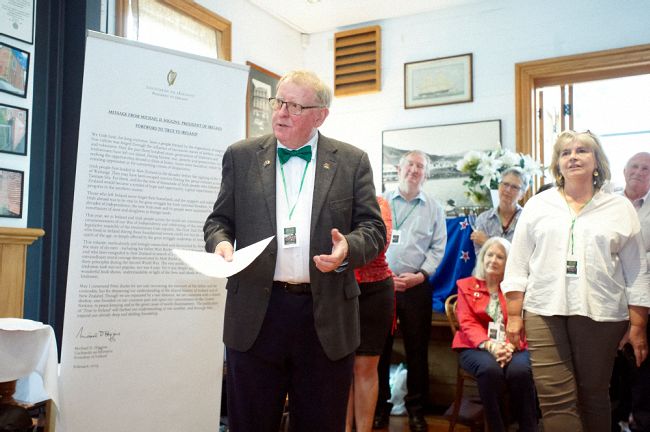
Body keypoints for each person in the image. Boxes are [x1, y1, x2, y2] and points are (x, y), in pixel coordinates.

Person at [203, 70, 386, 432]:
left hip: (325, 316)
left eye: (295, 106)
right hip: (257, 314)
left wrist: (348, 248)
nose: (281, 113)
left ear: (320, 116)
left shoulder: (352, 161)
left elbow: (374, 229)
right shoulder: (241, 156)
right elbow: (218, 221)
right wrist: (221, 243)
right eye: (279, 102)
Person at [502, 130, 650, 432]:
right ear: (558, 164)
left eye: (582, 150)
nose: (573, 157)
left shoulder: (619, 207)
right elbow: (517, 263)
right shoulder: (538, 205)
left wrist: (638, 325)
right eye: (565, 152)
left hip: (602, 313)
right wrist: (514, 315)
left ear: (597, 161)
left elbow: (636, 269)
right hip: (543, 310)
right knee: (555, 399)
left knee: (593, 396)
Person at [375, 150, 447, 432]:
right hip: (382, 286)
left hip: (416, 287)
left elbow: (438, 248)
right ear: (398, 169)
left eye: (420, 167)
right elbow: (370, 241)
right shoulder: (380, 202)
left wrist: (420, 276)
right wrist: (384, 275)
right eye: (410, 165)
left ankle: (417, 411)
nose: (414, 170)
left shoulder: (434, 208)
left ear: (425, 174)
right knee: (379, 351)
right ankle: (380, 408)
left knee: (417, 352)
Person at [452, 237, 538, 432]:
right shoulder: (465, 285)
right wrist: (491, 345)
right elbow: (468, 323)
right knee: (490, 370)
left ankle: (528, 427)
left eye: (500, 257)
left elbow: (524, 320)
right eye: (489, 255)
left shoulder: (516, 290)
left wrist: (509, 345)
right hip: (476, 347)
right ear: (482, 258)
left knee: (520, 371)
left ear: (508, 263)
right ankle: (497, 427)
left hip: (514, 345)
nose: (493, 260)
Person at [346, 196, 394, 432]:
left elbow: (380, 243)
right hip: (340, 291)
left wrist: (343, 244)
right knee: (342, 367)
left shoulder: (379, 203)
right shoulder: (332, 200)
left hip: (375, 291)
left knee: (365, 367)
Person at [615, 152, 650, 432]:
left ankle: (639, 422)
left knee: (642, 367)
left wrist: (633, 259)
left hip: (644, 302)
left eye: (646, 168)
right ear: (624, 171)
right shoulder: (608, 203)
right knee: (614, 370)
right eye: (634, 166)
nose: (639, 172)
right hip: (610, 302)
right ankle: (614, 419)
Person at [470, 166, 529, 255]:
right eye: (505, 184)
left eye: (514, 187)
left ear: (522, 195)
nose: (508, 190)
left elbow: (523, 257)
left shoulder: (527, 220)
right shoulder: (483, 219)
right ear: (499, 186)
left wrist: (487, 242)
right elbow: (481, 257)